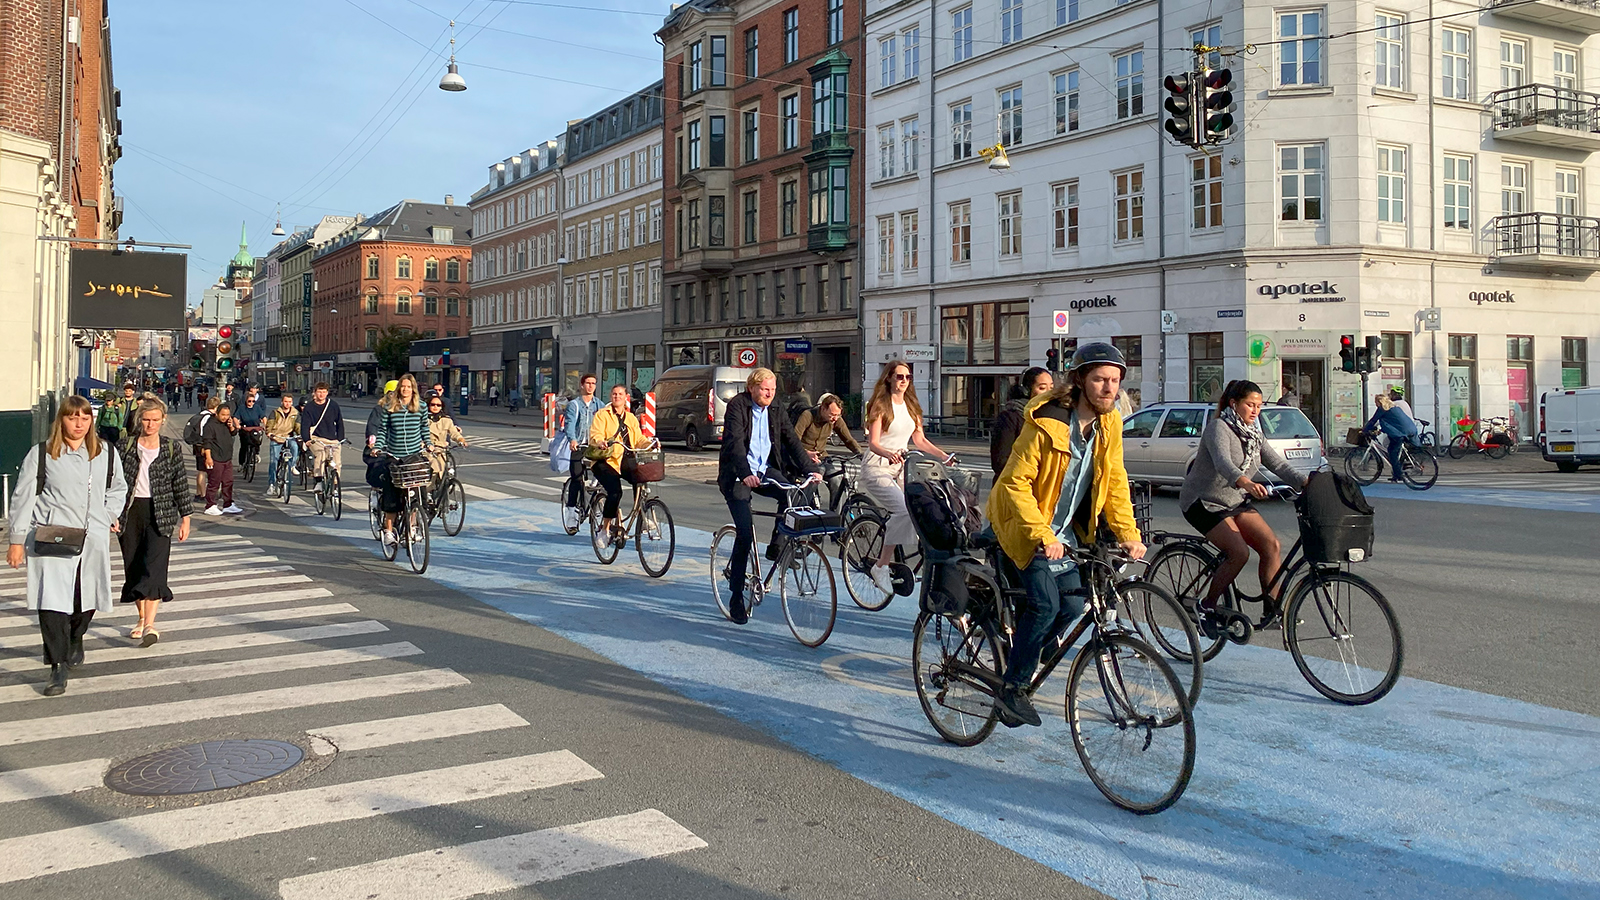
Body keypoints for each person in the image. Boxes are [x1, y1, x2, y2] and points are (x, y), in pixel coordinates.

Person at [987, 343, 1144, 727]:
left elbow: (1116, 482)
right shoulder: (1047, 421)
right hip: (1021, 526)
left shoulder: (1110, 424)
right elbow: (1014, 484)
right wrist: (1042, 533)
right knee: (1044, 604)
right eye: (1100, 379)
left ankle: (1028, 647)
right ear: (1079, 380)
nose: (1109, 388)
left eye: (1115, 380)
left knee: (1074, 605)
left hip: (1064, 534)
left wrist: (1128, 532)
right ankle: (1013, 690)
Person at [7, 396, 129, 697]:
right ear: (61, 419)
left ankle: (77, 635)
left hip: (92, 537)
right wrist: (16, 541)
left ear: (91, 421)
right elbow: (23, 497)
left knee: (85, 600)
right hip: (52, 536)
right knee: (52, 602)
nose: (78, 424)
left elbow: (118, 489)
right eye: (72, 417)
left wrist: (108, 514)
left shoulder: (105, 453)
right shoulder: (43, 454)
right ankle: (57, 666)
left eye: (85, 418)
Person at [1178, 379, 1310, 627]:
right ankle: (1206, 606)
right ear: (1233, 403)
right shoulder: (1219, 428)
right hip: (1202, 501)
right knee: (1238, 553)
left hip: (1233, 500)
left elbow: (1278, 464)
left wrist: (1307, 482)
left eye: (1259, 406)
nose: (1255, 411)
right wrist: (1246, 483)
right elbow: (1222, 463)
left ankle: (1272, 611)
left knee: (1271, 545)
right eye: (1250, 405)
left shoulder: (1254, 434)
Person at [717, 367, 820, 624]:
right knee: (744, 531)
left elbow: (791, 441)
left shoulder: (775, 409)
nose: (769, 394)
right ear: (752, 387)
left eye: (773, 390)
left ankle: (776, 547)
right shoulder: (738, 407)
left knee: (793, 496)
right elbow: (735, 443)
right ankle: (736, 597)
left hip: (764, 471)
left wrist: (811, 470)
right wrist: (744, 473)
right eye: (765, 389)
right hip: (738, 474)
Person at [860, 360, 952, 595]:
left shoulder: (911, 406)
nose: (904, 381)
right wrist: (888, 453)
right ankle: (881, 566)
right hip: (878, 466)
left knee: (924, 506)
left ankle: (920, 555)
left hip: (903, 467)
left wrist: (944, 456)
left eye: (908, 377)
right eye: (899, 376)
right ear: (889, 378)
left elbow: (919, 441)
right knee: (903, 509)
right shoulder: (880, 405)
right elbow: (873, 443)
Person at [118, 398, 192, 646]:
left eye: (155, 420)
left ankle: (150, 624)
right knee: (134, 565)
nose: (150, 424)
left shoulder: (170, 448)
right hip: (131, 511)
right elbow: (113, 483)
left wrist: (186, 518)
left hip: (160, 512)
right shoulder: (126, 446)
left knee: (155, 567)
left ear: (163, 420)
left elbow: (180, 483)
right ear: (140, 420)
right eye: (146, 419)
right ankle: (140, 619)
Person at [588, 383, 654, 546]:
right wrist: (600, 442)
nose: (617, 397)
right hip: (605, 460)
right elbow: (595, 434)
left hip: (625, 459)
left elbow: (638, 439)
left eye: (620, 394)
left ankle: (643, 516)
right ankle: (605, 529)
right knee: (615, 492)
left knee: (641, 479)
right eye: (614, 394)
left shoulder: (631, 418)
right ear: (611, 397)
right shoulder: (602, 415)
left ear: (626, 398)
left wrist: (649, 444)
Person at [369, 374, 428, 549]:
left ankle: (413, 526)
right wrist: (377, 447)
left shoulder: (421, 407)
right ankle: (388, 531)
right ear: (398, 389)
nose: (405, 389)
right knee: (392, 493)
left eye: (408, 386)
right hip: (395, 455)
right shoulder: (390, 407)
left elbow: (424, 427)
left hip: (414, 455)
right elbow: (383, 430)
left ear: (413, 389)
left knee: (418, 491)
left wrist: (429, 444)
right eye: (403, 386)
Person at [793, 393, 861, 512]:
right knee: (816, 474)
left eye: (838, 415)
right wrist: (806, 453)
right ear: (823, 408)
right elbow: (794, 440)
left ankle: (835, 515)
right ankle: (801, 509)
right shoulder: (808, 415)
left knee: (836, 479)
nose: (834, 418)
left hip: (822, 457)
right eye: (832, 414)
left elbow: (848, 439)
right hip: (805, 458)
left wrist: (861, 454)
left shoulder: (835, 420)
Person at [990, 366, 1055, 477]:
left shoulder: (1053, 416)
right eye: (1042, 388)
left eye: (1051, 388)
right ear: (1026, 390)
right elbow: (1000, 462)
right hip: (1014, 485)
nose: (1048, 393)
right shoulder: (1010, 417)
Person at [563, 375, 603, 508]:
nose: (591, 386)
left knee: (605, 474)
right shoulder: (574, 405)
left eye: (593, 383)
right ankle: (571, 511)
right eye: (588, 383)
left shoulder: (599, 405)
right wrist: (573, 440)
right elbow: (570, 424)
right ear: (582, 385)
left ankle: (596, 498)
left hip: (594, 446)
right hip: (579, 445)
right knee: (577, 478)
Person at [1364, 393, 1420, 483]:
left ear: (1380, 402)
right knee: (1395, 449)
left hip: (1400, 433)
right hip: (1411, 430)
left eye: (1376, 402)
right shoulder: (1395, 407)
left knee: (1392, 452)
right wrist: (1381, 430)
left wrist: (1364, 430)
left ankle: (1399, 474)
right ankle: (1395, 474)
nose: (1375, 404)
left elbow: (1373, 420)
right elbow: (1394, 422)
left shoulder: (1382, 409)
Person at [301, 381, 346, 493]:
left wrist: (340, 439)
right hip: (317, 438)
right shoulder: (309, 407)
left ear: (327, 393)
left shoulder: (333, 405)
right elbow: (305, 425)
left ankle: (335, 485)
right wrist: (307, 439)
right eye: (319, 392)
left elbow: (339, 422)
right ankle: (319, 481)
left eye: (324, 392)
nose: (321, 394)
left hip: (332, 439)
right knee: (320, 455)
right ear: (315, 393)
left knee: (337, 461)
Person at [200, 403, 242, 516]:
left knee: (228, 481)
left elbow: (233, 433)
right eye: (223, 415)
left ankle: (228, 504)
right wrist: (208, 458)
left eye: (228, 415)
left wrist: (231, 426)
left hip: (227, 458)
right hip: (215, 457)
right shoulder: (210, 425)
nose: (225, 417)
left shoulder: (226, 423)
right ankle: (210, 505)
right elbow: (207, 442)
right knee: (214, 482)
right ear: (217, 413)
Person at [263, 392, 301, 497]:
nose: (287, 404)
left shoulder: (295, 413)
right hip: (276, 436)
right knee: (273, 461)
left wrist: (300, 435)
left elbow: (297, 426)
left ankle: (292, 466)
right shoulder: (275, 412)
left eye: (289, 402)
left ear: (292, 402)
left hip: (288, 437)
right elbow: (269, 424)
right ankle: (271, 485)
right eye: (285, 401)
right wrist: (269, 432)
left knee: (295, 447)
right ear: (282, 402)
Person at [185, 396, 220, 502]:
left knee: (200, 470)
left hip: (197, 445)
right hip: (203, 446)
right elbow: (204, 433)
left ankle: (198, 493)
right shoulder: (208, 418)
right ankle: (203, 494)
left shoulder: (200, 415)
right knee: (204, 471)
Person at [425, 392, 467, 482]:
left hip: (442, 451)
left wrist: (460, 440)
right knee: (435, 469)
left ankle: (443, 491)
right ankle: (428, 492)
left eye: (438, 405)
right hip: (428, 451)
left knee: (445, 472)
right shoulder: (424, 420)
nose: (435, 407)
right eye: (433, 405)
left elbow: (454, 433)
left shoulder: (446, 420)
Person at [233, 386, 265, 474]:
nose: (251, 403)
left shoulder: (257, 408)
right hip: (245, 428)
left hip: (255, 428)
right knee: (244, 445)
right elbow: (235, 417)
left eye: (253, 401)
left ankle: (256, 454)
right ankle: (241, 463)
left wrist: (265, 425)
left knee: (257, 440)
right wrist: (237, 425)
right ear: (246, 401)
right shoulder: (242, 408)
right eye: (249, 401)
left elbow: (263, 417)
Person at [96, 383, 136, 448]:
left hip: (130, 426)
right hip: (118, 426)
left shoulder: (136, 402)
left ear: (133, 392)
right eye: (126, 391)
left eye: (129, 391)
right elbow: (110, 405)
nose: (127, 392)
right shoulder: (119, 400)